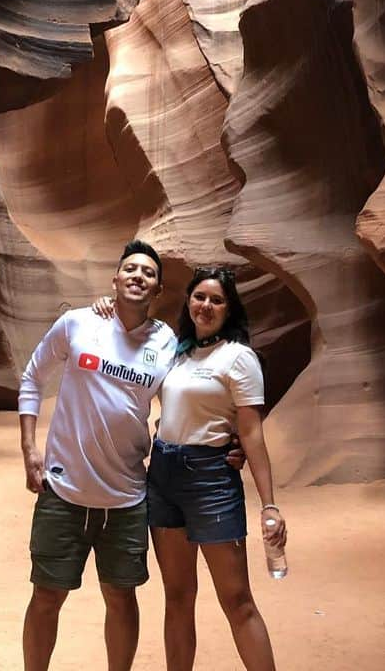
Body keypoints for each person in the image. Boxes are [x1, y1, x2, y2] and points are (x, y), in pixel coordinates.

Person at [18, 241, 244, 671]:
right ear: (116, 279)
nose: (139, 275)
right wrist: (29, 447)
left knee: (121, 598)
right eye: (130, 269)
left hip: (125, 498)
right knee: (47, 595)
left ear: (158, 289)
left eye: (149, 272)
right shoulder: (77, 323)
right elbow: (32, 377)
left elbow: (197, 393)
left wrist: (230, 439)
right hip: (64, 491)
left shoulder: (166, 343)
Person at [95, 265, 285, 671]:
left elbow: (250, 432)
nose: (206, 305)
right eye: (200, 297)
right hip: (163, 475)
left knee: (237, 600)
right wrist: (104, 308)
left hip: (210, 479)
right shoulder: (176, 351)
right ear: (189, 301)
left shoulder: (239, 357)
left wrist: (269, 504)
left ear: (229, 309)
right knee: (178, 597)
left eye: (217, 300)